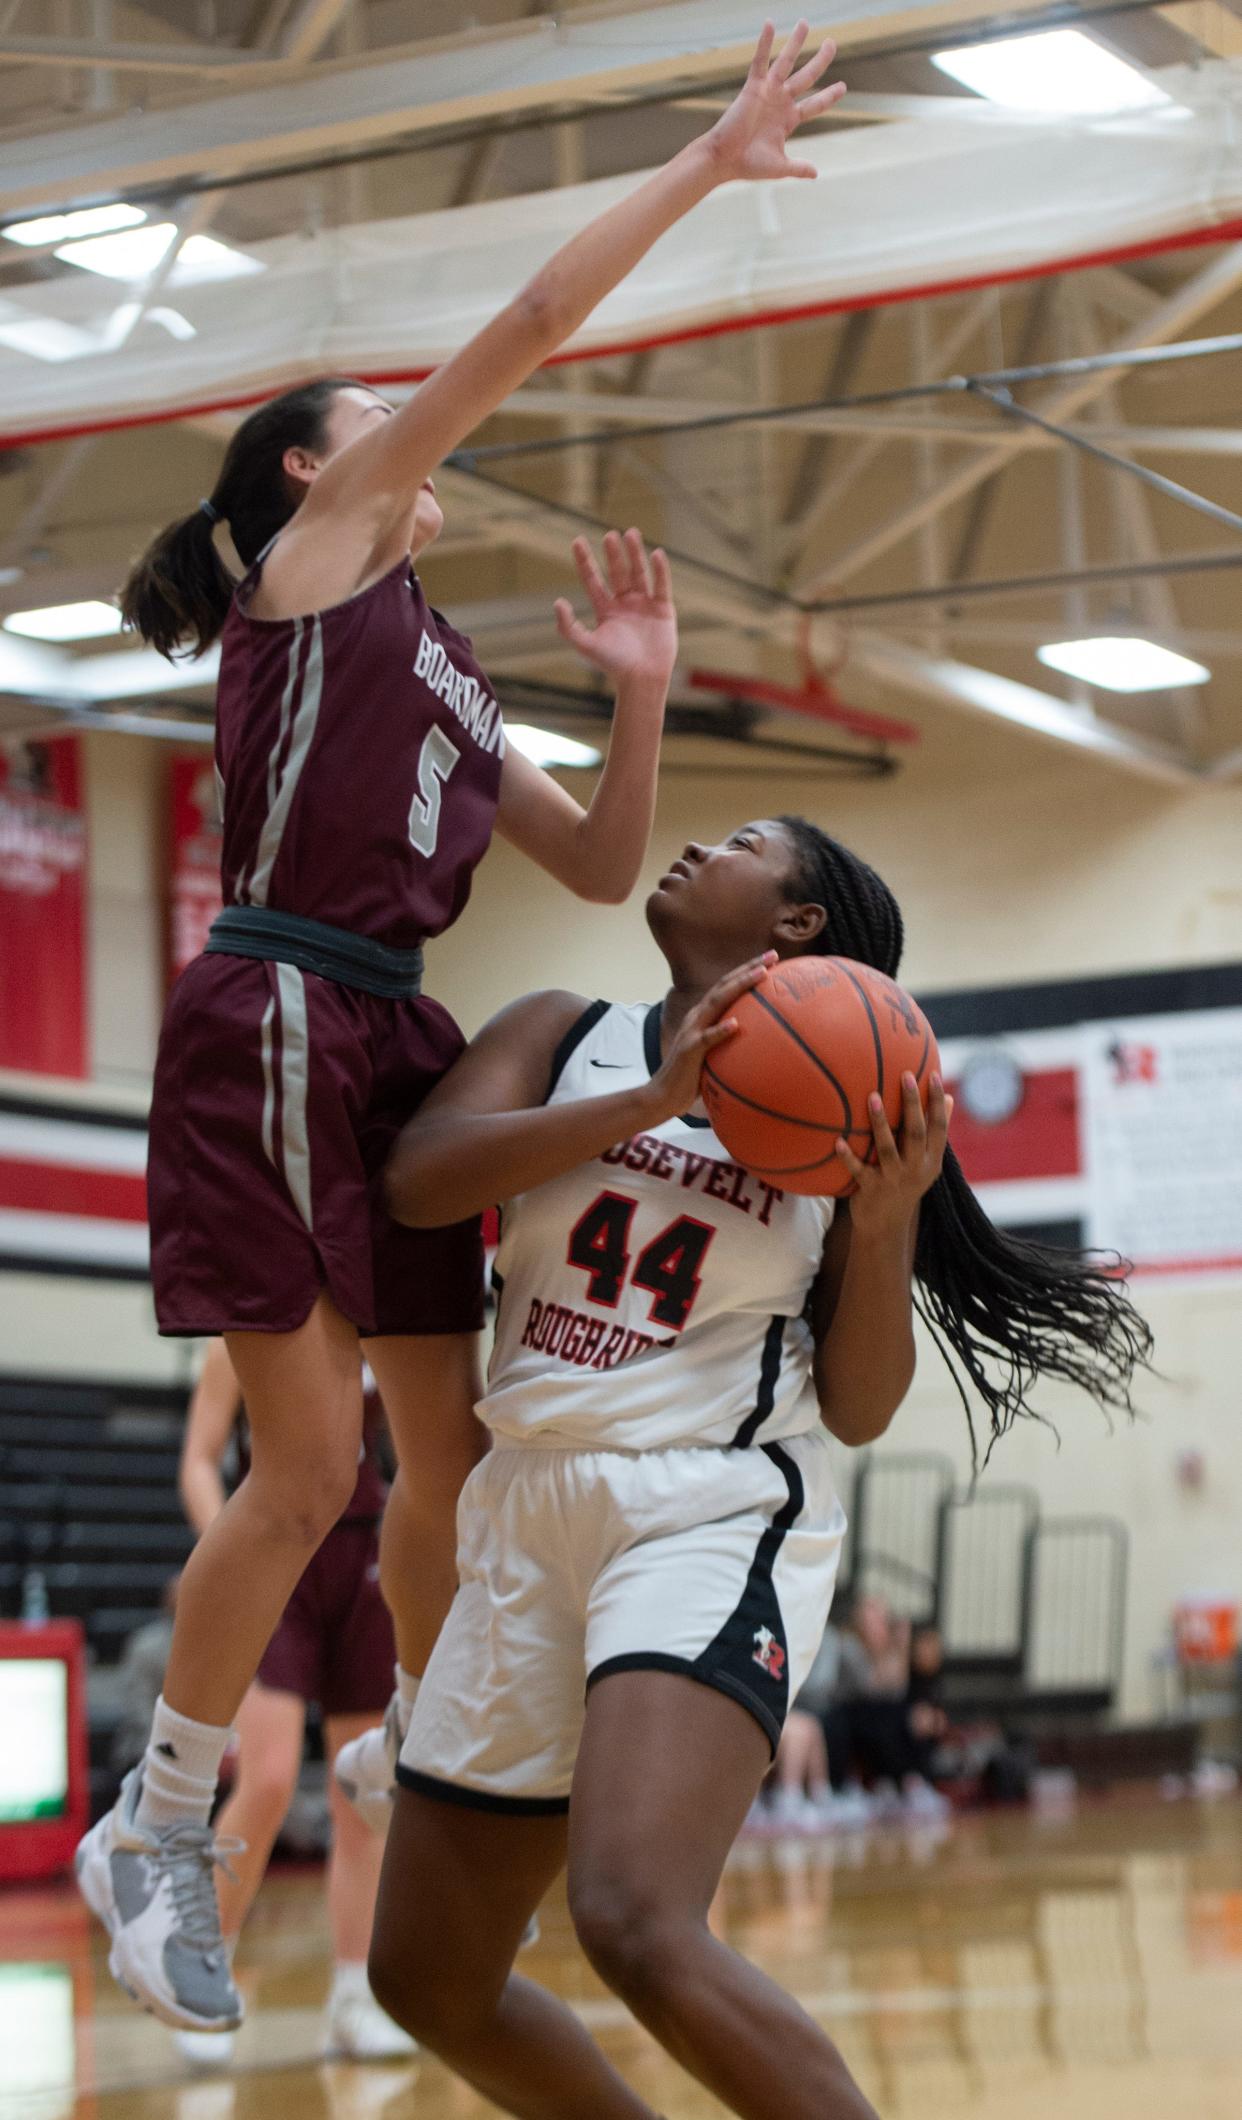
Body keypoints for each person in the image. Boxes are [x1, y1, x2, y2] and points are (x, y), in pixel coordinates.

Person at [74, 22, 848, 2034]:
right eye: (383, 418)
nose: (430, 430)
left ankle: (406, 1747)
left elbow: (603, 868)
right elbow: (528, 313)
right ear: (321, 467)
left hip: (396, 1033)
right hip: (272, 998)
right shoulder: (314, 565)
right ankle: (154, 1823)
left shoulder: (445, 670)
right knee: (312, 1458)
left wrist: (651, 681)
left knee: (460, 1438)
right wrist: (705, 162)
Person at [356, 815, 1151, 2119]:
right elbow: (417, 1183)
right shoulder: (563, 1031)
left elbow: (857, 1406)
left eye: (735, 844)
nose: (687, 851)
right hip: (523, 1501)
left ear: (796, 924)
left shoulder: (847, 1102)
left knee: (631, 1918)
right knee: (425, 1978)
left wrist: (885, 1217)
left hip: (703, 1510)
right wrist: (650, 1100)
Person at [173, 1339, 412, 2066]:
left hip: (364, 1558)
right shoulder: (238, 1337)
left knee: (362, 1793)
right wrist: (231, 1553)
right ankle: (199, 1974)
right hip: (280, 1563)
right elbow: (196, 1461)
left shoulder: (379, 1330)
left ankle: (353, 1995)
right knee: (269, 1777)